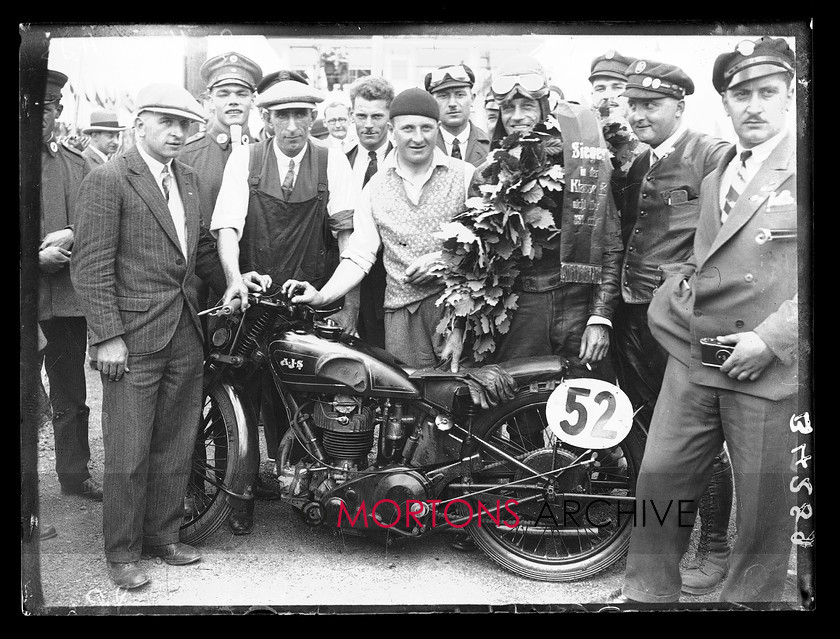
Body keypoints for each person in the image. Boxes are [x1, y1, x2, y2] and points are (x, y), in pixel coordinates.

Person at [612, 36, 800, 605]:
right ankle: (648, 594)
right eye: (741, 95)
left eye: (768, 93)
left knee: (765, 501)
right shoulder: (721, 175)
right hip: (698, 355)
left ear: (789, 97)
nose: (754, 106)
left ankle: (749, 598)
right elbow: (698, 258)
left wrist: (770, 340)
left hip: (762, 363)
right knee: (660, 477)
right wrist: (672, 301)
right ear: (726, 104)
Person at [71, 82, 209, 590]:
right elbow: (90, 267)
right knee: (128, 451)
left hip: (184, 332)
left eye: (186, 125)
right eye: (166, 123)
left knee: (176, 443)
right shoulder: (110, 178)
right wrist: (107, 336)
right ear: (141, 124)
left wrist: (238, 278)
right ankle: (123, 552)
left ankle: (162, 536)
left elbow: (196, 252)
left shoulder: (189, 179)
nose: (177, 133)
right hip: (131, 337)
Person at [210, 75, 357, 534]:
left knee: (299, 398)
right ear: (268, 120)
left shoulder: (332, 160)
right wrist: (235, 281)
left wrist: (342, 297)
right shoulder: (245, 159)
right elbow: (228, 228)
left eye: (301, 115)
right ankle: (240, 495)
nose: (292, 126)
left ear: (312, 118)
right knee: (243, 396)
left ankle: (301, 489)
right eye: (282, 116)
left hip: (305, 300)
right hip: (255, 301)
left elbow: (347, 233)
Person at [613, 58, 735, 595]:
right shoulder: (637, 163)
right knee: (649, 438)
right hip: (632, 319)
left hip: (682, 322)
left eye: (652, 105)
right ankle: (667, 552)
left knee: (697, 440)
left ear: (679, 106)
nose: (640, 115)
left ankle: (714, 548)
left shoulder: (711, 154)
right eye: (634, 105)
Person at [441, 55, 623, 383]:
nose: (517, 117)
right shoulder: (487, 174)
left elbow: (609, 244)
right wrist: (458, 328)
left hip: (576, 302)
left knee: (587, 403)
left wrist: (600, 317)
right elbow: (471, 262)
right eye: (508, 108)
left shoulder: (580, 161)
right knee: (523, 407)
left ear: (543, 108)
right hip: (521, 309)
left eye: (526, 105)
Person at [281, 87, 476, 370]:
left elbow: (485, 248)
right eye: (408, 128)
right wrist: (322, 296)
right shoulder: (375, 187)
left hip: (459, 313)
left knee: (464, 395)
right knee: (408, 401)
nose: (418, 138)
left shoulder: (465, 176)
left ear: (438, 128)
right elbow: (360, 254)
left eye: (426, 128)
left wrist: (446, 261)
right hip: (401, 316)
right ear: (393, 129)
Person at [38, 69, 103, 502]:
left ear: (57, 112)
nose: (34, 115)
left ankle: (74, 474)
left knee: (69, 392)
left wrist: (74, 233)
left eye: (44, 108)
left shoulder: (76, 163)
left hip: (63, 300)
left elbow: (95, 217)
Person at [181, 52, 262, 230]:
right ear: (210, 101)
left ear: (253, 100)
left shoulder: (265, 153)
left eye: (241, 94)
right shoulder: (187, 155)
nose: (233, 101)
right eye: (223, 94)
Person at [344, 75, 396, 349]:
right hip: (348, 279)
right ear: (351, 114)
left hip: (390, 281)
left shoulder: (403, 160)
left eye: (376, 116)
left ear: (389, 117)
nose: (368, 124)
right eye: (361, 115)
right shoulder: (340, 158)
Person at [424, 64, 490, 167]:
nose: (452, 104)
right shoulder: (422, 146)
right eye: (443, 96)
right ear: (432, 102)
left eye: (460, 95)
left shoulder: (491, 146)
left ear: (472, 99)